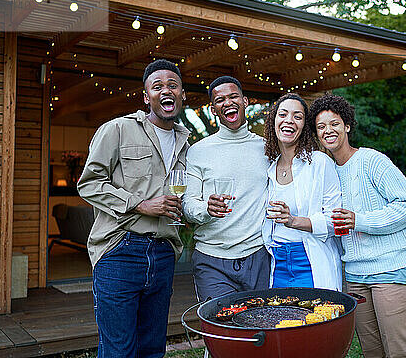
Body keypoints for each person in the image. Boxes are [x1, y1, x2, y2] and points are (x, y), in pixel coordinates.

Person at [78, 59, 189, 358]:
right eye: (158, 86)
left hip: (164, 252)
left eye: (172, 85)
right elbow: (88, 184)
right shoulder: (117, 129)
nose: (166, 91)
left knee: (152, 350)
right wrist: (140, 204)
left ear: (182, 94)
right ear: (146, 96)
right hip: (119, 250)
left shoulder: (186, 143)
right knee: (119, 351)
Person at [308, 94, 406, 358]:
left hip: (392, 269)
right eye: (321, 126)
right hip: (356, 277)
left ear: (347, 125)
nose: (328, 130)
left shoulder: (372, 161)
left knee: (399, 351)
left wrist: (361, 220)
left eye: (334, 123)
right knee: (372, 352)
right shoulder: (326, 171)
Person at [183, 76, 271, 302]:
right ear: (213, 109)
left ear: (245, 101)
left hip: (258, 256)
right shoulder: (198, 151)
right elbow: (188, 205)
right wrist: (206, 208)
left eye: (233, 97)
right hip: (212, 259)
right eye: (220, 100)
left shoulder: (266, 149)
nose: (228, 103)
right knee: (222, 328)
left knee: (261, 327)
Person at [262, 93, 343, 291]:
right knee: (280, 320)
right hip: (278, 263)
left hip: (311, 262)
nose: (289, 120)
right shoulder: (269, 168)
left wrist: (293, 221)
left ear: (304, 126)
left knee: (313, 320)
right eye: (283, 114)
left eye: (297, 116)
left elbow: (336, 222)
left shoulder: (319, 163)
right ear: (273, 120)